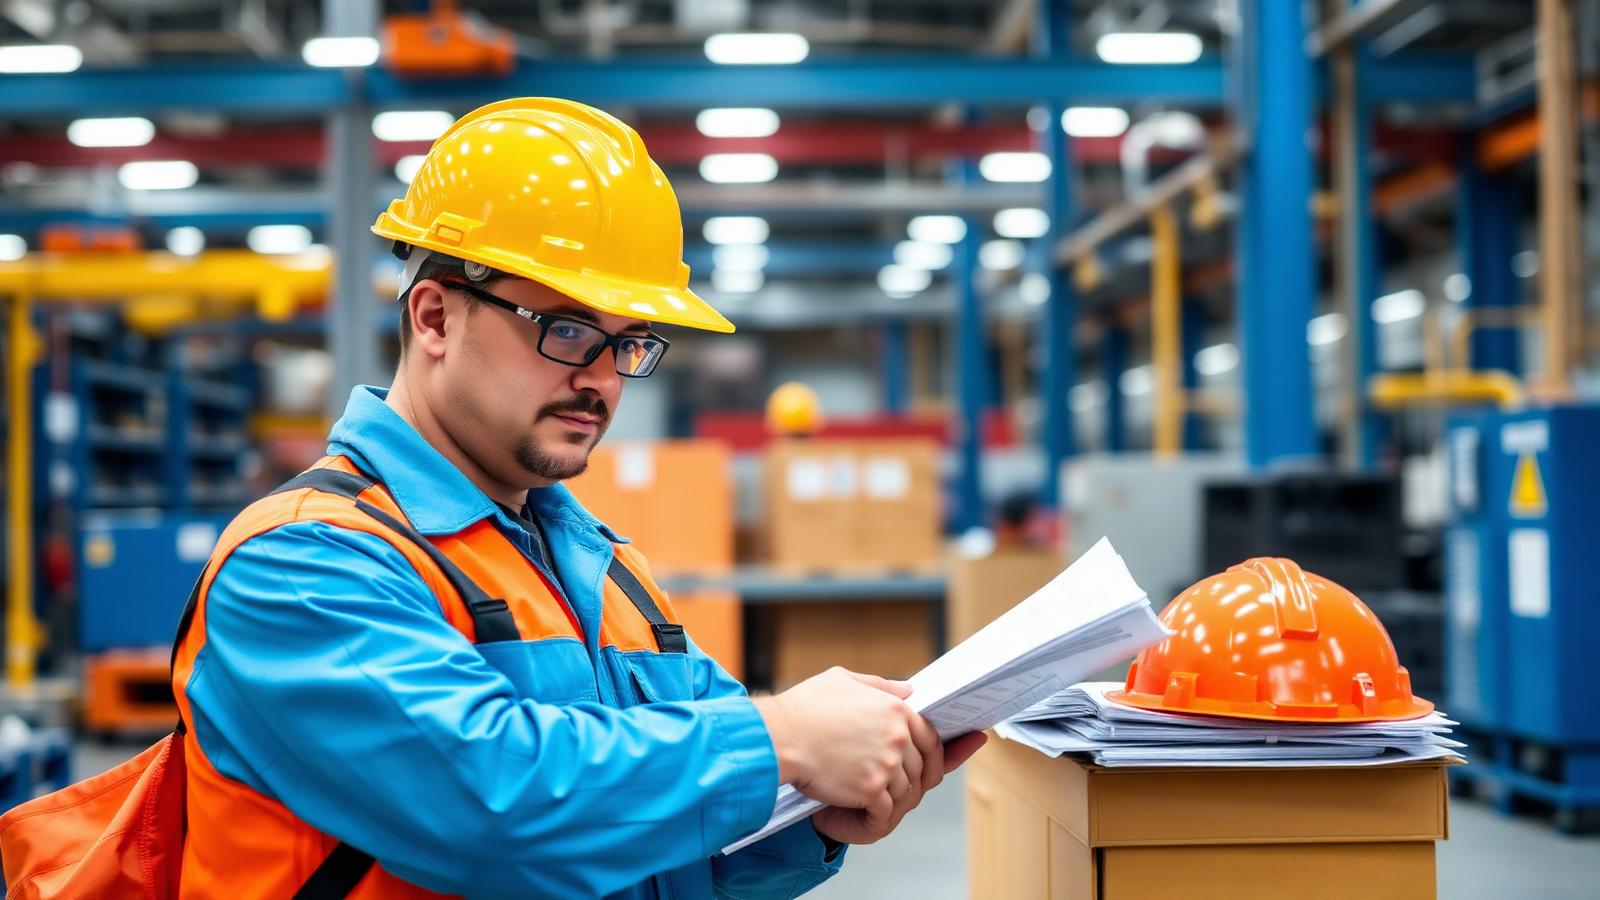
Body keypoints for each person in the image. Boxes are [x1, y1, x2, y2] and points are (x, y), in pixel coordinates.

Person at [171, 97, 986, 898]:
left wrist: (809, 817)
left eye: (628, 343)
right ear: (435, 318)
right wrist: (783, 739)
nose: (602, 379)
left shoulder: (601, 569)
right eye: (567, 329)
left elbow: (662, 847)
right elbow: (489, 806)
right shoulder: (302, 564)